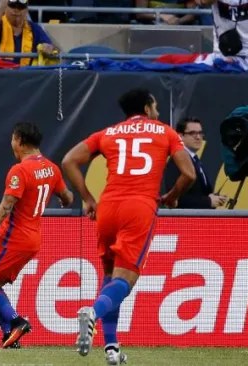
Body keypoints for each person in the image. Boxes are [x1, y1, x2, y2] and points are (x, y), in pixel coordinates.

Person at [61, 89, 196, 364]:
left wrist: (88, 199)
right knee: (125, 280)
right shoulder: (165, 132)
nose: (157, 111)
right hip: (139, 207)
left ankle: (111, 347)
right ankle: (94, 313)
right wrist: (171, 197)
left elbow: (68, 161)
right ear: (147, 108)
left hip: (108, 207)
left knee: (110, 276)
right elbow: (189, 173)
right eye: (155, 106)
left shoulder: (108, 133)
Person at [0, 122, 73, 348]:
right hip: (33, 239)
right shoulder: (52, 168)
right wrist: (64, 201)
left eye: (13, 139)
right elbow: (67, 197)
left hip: (14, 238)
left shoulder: (20, 170)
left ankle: (16, 321)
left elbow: (5, 208)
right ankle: (9, 337)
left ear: (21, 142)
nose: (11, 144)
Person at [163, 117, 227, 209]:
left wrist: (213, 198)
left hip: (199, 219)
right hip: (185, 221)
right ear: (180, 136)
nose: (198, 137)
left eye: (200, 133)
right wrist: (208, 201)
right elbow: (174, 199)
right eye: (192, 133)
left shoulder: (195, 159)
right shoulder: (177, 160)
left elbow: (198, 193)